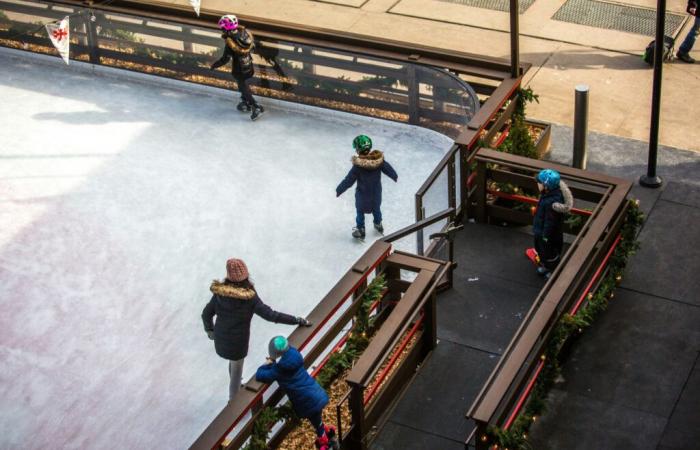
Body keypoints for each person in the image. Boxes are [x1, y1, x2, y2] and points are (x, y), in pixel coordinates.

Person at [202, 258, 312, 401]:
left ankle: (235, 390)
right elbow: (271, 315)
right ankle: (233, 403)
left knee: (233, 364)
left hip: (220, 339)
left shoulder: (219, 294)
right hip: (237, 344)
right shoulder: (249, 297)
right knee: (236, 370)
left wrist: (210, 331)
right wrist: (295, 320)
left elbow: (206, 314)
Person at [256, 336, 339, 450]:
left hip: (307, 402)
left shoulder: (279, 369)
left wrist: (267, 363)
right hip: (316, 393)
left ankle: (326, 444)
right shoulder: (295, 355)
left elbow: (260, 375)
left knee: (317, 422)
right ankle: (328, 435)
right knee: (317, 422)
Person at [336, 135, 398, 239]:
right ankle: (378, 224)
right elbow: (388, 169)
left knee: (360, 212)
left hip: (362, 195)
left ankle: (360, 229)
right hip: (376, 194)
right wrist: (394, 176)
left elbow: (349, 180)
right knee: (376, 209)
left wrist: (339, 190)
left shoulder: (358, 167)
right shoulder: (379, 161)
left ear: (358, 149)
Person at [210, 14, 265, 120]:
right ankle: (245, 103)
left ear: (226, 29)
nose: (221, 30)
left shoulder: (231, 43)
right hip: (248, 65)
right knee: (242, 86)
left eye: (222, 28)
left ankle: (256, 106)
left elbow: (225, 59)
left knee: (243, 87)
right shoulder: (244, 34)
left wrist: (214, 65)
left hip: (239, 69)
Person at [529, 169, 573, 279]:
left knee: (549, 252)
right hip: (541, 231)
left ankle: (551, 269)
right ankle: (545, 264)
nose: (537, 185)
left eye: (539, 183)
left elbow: (550, 222)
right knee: (541, 249)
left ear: (546, 186)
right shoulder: (547, 195)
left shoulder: (551, 203)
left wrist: (545, 236)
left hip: (547, 235)